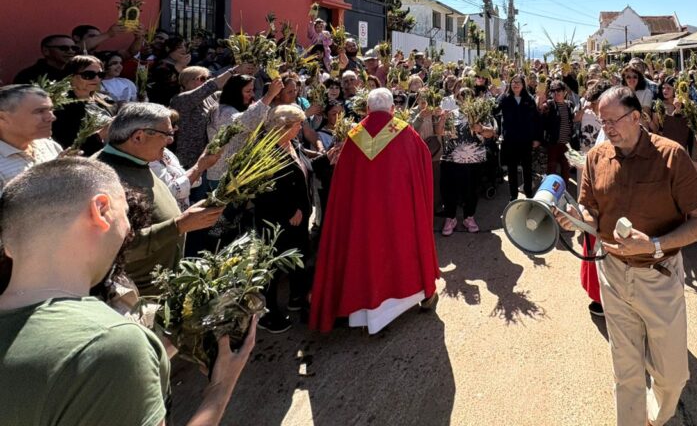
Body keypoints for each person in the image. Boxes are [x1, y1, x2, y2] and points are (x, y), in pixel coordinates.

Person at [0, 157, 256, 426]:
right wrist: (220, 388)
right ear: (101, 210)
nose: (129, 230)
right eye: (125, 213)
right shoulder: (109, 344)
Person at [573, 86, 697, 426]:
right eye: (602, 122)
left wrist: (652, 245)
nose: (607, 129)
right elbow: (590, 209)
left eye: (613, 121)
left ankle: (657, 415)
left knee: (672, 374)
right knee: (626, 370)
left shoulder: (672, 156)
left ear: (637, 117)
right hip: (613, 273)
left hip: (659, 275)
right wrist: (576, 219)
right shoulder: (596, 157)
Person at [309, 88, 440, 334]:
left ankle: (366, 313)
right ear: (392, 109)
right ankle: (413, 297)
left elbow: (342, 182)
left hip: (363, 217)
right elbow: (424, 160)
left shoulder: (354, 135)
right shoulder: (404, 131)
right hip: (399, 210)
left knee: (367, 253)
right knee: (403, 249)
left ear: (367, 109)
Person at [97, 103, 225, 294]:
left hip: (160, 288)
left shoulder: (137, 160)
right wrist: (179, 225)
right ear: (138, 136)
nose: (170, 141)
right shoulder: (103, 177)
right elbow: (113, 248)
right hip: (135, 298)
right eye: (166, 134)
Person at [252, 105, 314, 333]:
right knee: (274, 265)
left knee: (297, 256)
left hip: (299, 216)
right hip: (277, 220)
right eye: (297, 124)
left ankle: (296, 298)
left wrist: (327, 158)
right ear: (283, 126)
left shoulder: (293, 144)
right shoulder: (265, 152)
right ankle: (267, 314)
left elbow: (304, 168)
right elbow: (264, 189)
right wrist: (290, 210)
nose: (301, 128)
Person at [439, 88, 497, 236]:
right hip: (452, 160)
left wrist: (481, 128)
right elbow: (440, 133)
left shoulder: (480, 114)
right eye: (462, 96)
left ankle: (468, 217)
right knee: (450, 192)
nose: (465, 98)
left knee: (471, 192)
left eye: (469, 95)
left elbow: (491, 133)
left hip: (474, 161)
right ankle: (450, 218)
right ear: (457, 99)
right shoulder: (452, 115)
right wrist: (442, 120)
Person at [0, 84, 61, 195]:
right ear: (3, 118)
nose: (51, 117)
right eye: (39, 111)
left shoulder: (49, 145)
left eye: (51, 110)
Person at [51, 55, 116, 156]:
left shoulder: (105, 100)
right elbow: (66, 146)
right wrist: (100, 135)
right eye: (88, 75)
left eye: (100, 74)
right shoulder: (60, 108)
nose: (96, 79)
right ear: (70, 76)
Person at [496, 75, 541, 201]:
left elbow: (536, 120)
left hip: (526, 140)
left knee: (527, 167)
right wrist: (499, 94)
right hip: (510, 140)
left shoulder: (529, 99)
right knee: (512, 169)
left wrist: (537, 138)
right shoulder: (505, 98)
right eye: (513, 82)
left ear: (523, 85)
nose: (515, 84)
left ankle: (528, 193)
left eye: (518, 82)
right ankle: (513, 195)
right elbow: (494, 110)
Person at [540, 80, 575, 178]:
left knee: (565, 168)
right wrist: (541, 106)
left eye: (558, 90)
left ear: (564, 91)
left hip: (566, 143)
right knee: (551, 170)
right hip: (553, 144)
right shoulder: (549, 105)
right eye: (552, 90)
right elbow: (542, 121)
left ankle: (565, 190)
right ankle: (551, 192)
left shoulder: (569, 104)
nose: (555, 93)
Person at [13, 34, 79, 84]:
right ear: (46, 51)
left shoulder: (78, 72)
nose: (71, 51)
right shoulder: (28, 75)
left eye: (74, 48)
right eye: (63, 48)